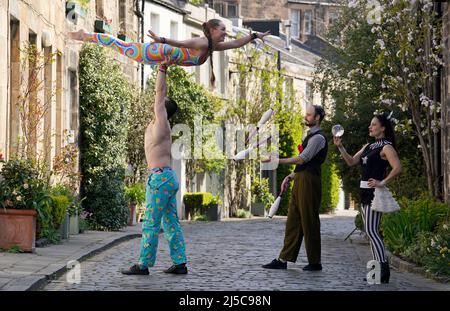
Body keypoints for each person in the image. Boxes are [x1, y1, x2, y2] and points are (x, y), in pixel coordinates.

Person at [121, 62, 187, 275]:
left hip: (159, 179)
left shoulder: (161, 122)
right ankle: (180, 263)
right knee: (170, 223)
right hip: (164, 178)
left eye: (160, 102)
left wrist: (162, 70)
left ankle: (143, 264)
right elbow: (159, 96)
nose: (156, 102)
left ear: (163, 108)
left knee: (150, 222)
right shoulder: (157, 124)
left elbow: (160, 92)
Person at [68, 19, 270, 85]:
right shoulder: (201, 42)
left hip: (157, 57)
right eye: (223, 30)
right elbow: (181, 44)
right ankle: (86, 35)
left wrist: (253, 36)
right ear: (213, 31)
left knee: (123, 46)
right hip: (156, 52)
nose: (226, 34)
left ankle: (87, 36)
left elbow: (236, 44)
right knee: (120, 46)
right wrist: (162, 39)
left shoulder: (212, 46)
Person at [333, 112, 402, 283]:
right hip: (363, 192)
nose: (370, 127)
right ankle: (377, 271)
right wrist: (340, 147)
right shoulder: (369, 146)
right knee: (370, 232)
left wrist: (382, 182)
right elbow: (351, 161)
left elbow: (398, 167)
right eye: (370, 124)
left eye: (374, 125)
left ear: (383, 128)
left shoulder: (386, 147)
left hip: (374, 193)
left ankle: (382, 270)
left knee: (372, 231)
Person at [262, 105, 328, 271]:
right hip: (301, 179)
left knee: (309, 221)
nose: (306, 117)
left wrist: (277, 161)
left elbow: (303, 159)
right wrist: (291, 176)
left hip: (309, 181)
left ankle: (315, 262)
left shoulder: (318, 138)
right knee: (293, 220)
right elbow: (302, 164)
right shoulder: (310, 136)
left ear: (318, 117)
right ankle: (283, 259)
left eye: (309, 114)